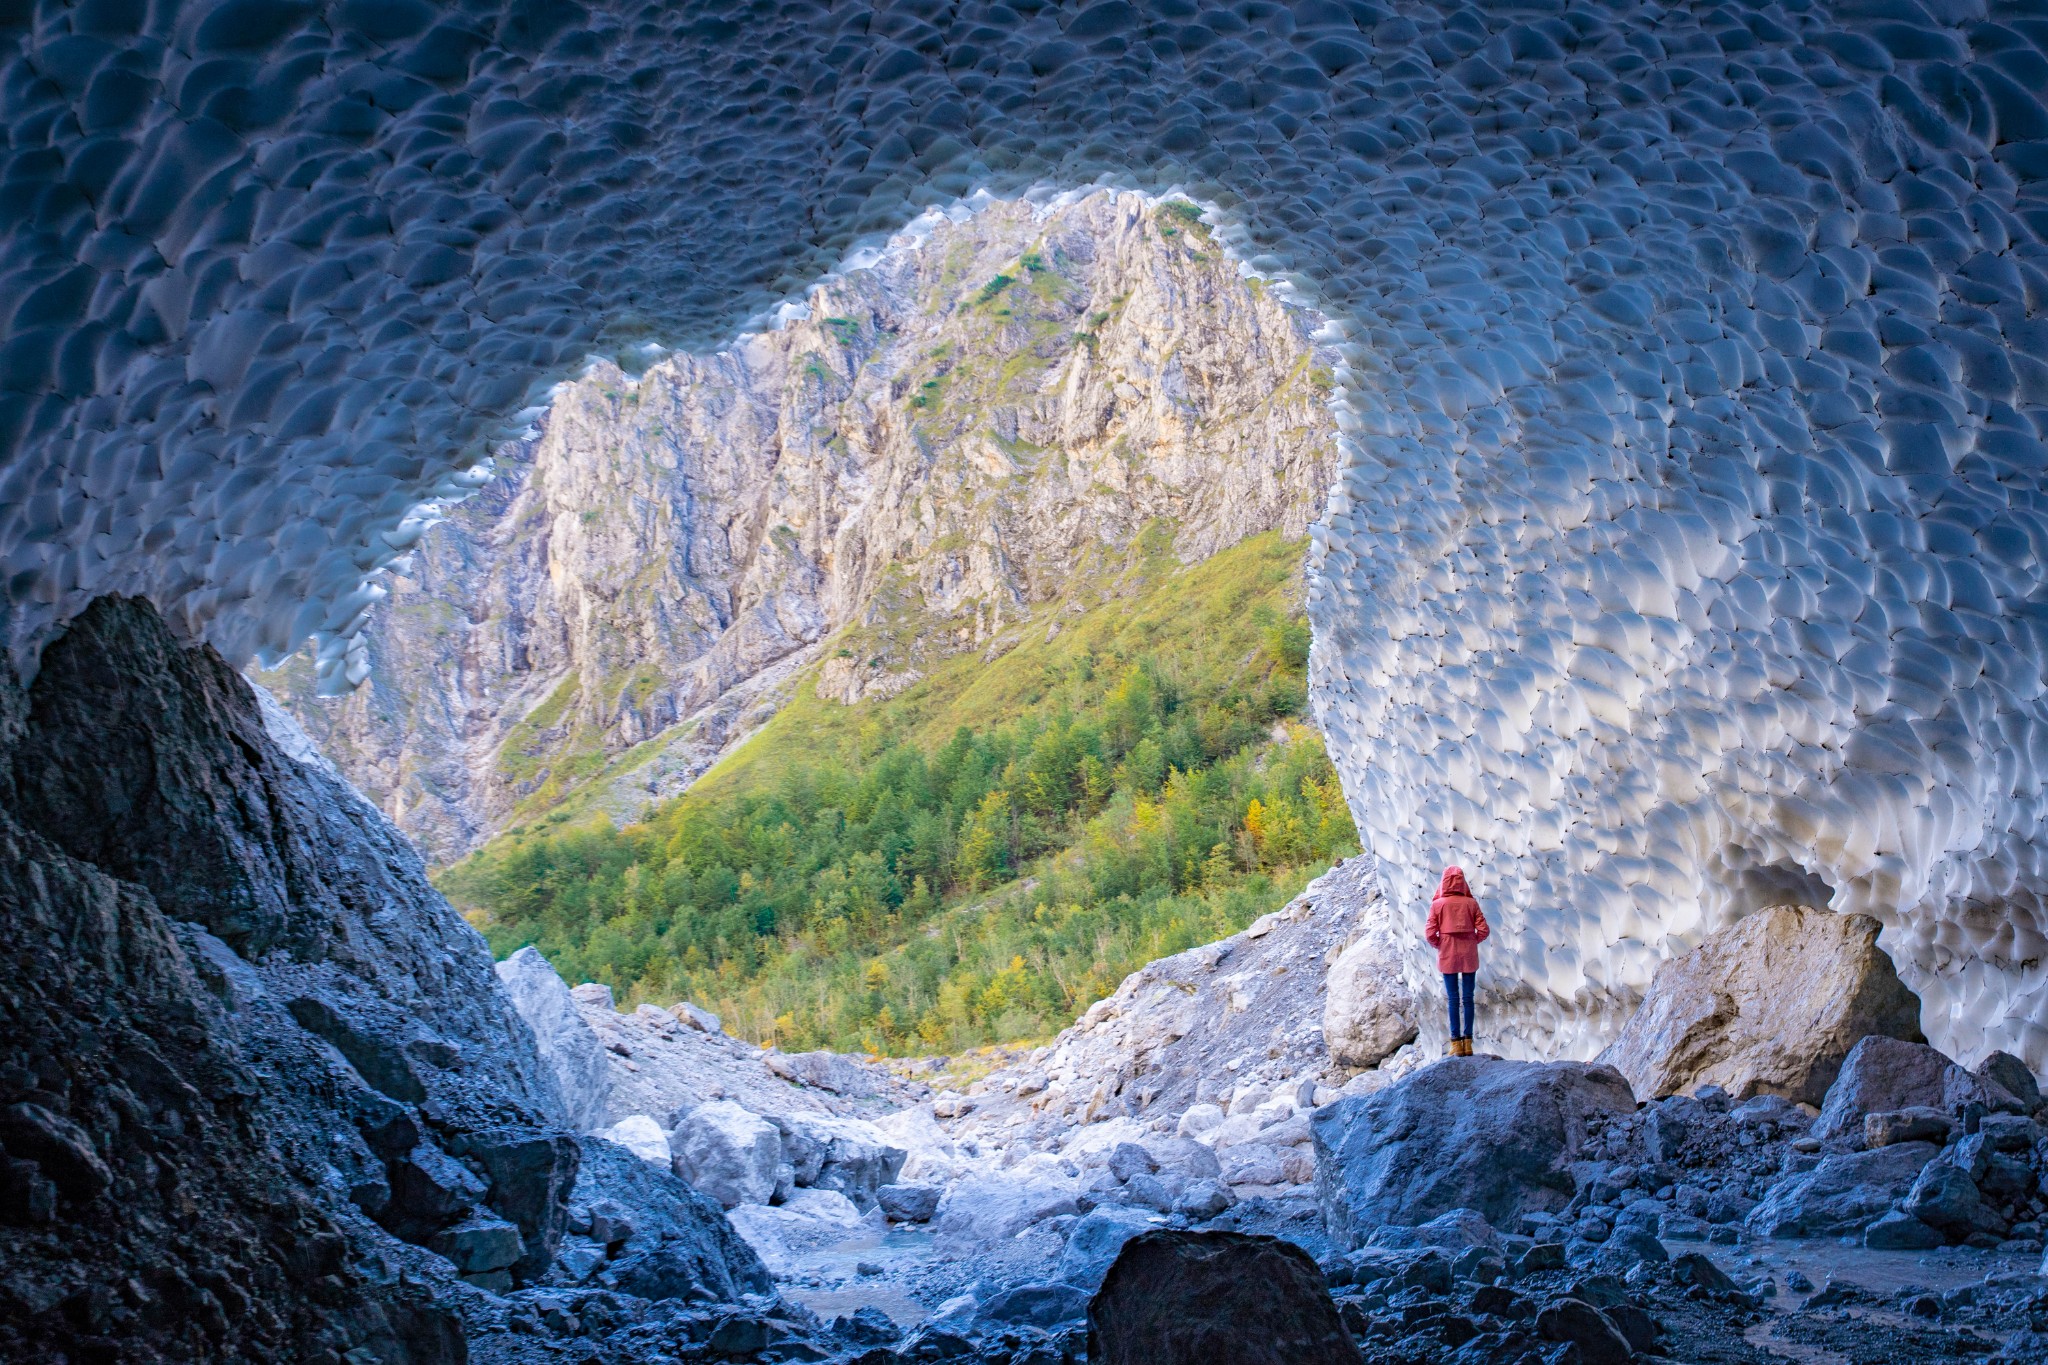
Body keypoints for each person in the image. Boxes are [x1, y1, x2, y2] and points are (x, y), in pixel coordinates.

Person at [1425, 865, 1489, 1056]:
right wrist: (1471, 940)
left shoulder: (1438, 904)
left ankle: (1455, 1044)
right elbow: (1484, 929)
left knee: (1453, 999)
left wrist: (1441, 943)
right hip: (1469, 954)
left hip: (1448, 954)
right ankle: (1468, 1043)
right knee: (1468, 999)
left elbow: (1429, 933)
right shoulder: (1471, 903)